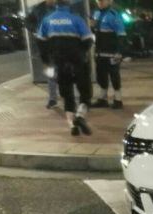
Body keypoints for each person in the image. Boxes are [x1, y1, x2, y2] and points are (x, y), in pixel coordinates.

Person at [36, 0, 94, 136]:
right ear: (69, 5)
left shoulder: (47, 20)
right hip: (78, 62)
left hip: (59, 63)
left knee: (67, 95)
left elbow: (40, 42)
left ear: (56, 4)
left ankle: (72, 126)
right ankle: (80, 116)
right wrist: (81, 53)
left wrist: (47, 61)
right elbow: (88, 40)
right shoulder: (77, 19)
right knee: (85, 92)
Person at [91, 0, 126, 109]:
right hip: (100, 52)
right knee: (101, 75)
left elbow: (121, 34)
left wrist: (119, 52)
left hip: (112, 52)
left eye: (103, 0)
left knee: (114, 75)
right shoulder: (96, 14)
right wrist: (92, 26)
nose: (100, 2)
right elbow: (94, 31)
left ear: (110, 1)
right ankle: (103, 99)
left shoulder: (114, 15)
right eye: (99, 1)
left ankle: (118, 100)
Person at [27, 0, 59, 109]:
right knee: (50, 71)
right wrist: (35, 29)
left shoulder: (61, 6)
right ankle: (53, 98)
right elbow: (28, 22)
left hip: (60, 43)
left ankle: (65, 94)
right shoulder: (38, 9)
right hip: (46, 44)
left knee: (63, 71)